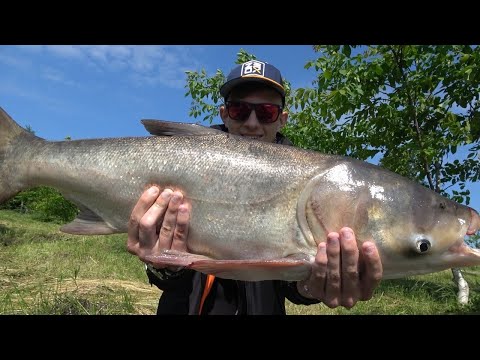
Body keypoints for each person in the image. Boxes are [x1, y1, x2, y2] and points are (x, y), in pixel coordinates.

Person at [127, 60, 383, 315]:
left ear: (282, 119)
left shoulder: (311, 186)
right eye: (239, 110)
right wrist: (164, 265)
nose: (251, 122)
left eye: (266, 112)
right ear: (224, 114)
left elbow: (293, 288)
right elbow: (172, 282)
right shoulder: (185, 166)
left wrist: (314, 286)